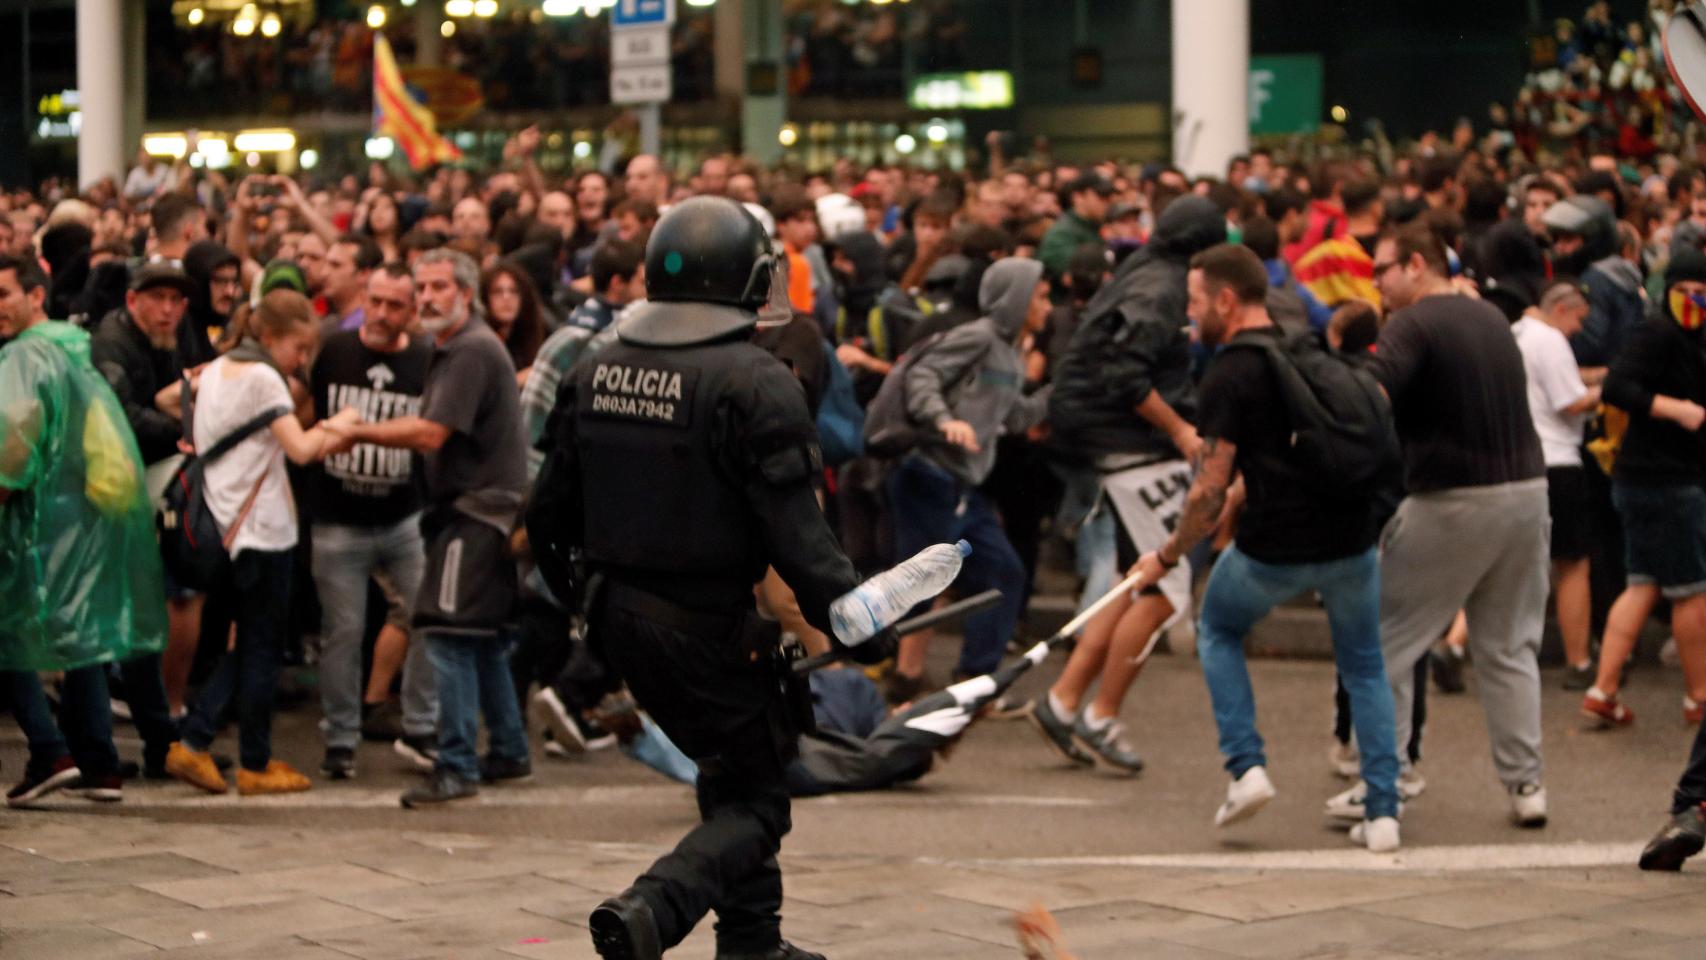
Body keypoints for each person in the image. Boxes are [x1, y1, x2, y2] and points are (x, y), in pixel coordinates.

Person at [526, 197, 894, 960]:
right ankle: (653, 909)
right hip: (708, 630)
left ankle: (754, 942)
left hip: (619, 620)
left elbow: (548, 516)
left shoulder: (595, 370)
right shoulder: (757, 382)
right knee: (760, 802)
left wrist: (585, 607)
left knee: (733, 769)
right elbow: (802, 544)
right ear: (748, 279)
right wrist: (859, 625)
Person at [1138, 244, 1401, 849]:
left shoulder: (1229, 372)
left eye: (1196, 301)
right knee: (1364, 664)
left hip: (1273, 547)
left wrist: (1168, 555)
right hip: (1352, 536)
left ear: (1226, 301)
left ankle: (1246, 768)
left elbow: (1208, 488)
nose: (1189, 313)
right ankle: (1384, 811)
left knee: (1217, 630)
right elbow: (1291, 445)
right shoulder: (1301, 343)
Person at [325, 248, 533, 807]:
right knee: (482, 639)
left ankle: (458, 763)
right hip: (480, 513)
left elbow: (432, 434)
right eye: (422, 287)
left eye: (438, 287)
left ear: (465, 293)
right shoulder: (460, 346)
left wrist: (357, 432)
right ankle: (509, 749)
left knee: (446, 633)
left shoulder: (469, 349)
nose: (426, 298)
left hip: (477, 515)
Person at [1029, 196, 1225, 771]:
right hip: (1128, 443)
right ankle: (1100, 715)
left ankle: (1066, 702)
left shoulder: (1146, 269)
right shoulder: (1161, 288)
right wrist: (1183, 432)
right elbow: (1124, 370)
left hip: (1100, 436)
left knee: (1129, 577)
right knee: (1165, 587)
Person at [1366, 224, 1552, 828]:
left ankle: (1384, 782)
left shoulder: (1412, 324)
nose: (1377, 283)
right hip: (1527, 492)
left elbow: (1373, 395)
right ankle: (1526, 786)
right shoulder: (1492, 319)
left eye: (1383, 270)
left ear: (1416, 264)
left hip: (1452, 498)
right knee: (1509, 647)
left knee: (1387, 641)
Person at [164, 289, 359, 797]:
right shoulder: (264, 376)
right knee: (262, 647)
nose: (302, 361)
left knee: (249, 644)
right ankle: (233, 754)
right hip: (262, 531)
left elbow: (169, 398)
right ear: (272, 337)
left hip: (222, 530)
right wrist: (339, 426)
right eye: (299, 348)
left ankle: (214, 743)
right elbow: (299, 449)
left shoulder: (218, 367)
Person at [0, 254, 166, 806]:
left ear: (34, 295)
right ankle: (98, 762)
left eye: (3, 295)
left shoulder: (24, 354)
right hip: (90, 512)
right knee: (82, 634)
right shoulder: (75, 342)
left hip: (41, 518)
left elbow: (12, 451)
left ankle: (51, 752)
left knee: (11, 631)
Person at [884, 257, 1053, 697]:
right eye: (1041, 294)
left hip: (961, 485)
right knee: (925, 581)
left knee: (1003, 573)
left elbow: (1013, 416)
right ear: (1016, 298)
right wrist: (944, 421)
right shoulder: (977, 337)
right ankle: (903, 682)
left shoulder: (1009, 354)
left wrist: (1061, 394)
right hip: (929, 475)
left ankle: (974, 682)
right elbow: (923, 375)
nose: (1047, 304)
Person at [308, 262, 438, 779]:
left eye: (395, 305)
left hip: (403, 515)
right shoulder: (333, 349)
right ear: (364, 297)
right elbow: (304, 407)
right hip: (337, 517)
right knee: (343, 630)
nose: (382, 314)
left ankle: (422, 724)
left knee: (428, 614)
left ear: (412, 310)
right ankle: (340, 737)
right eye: (376, 301)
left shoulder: (427, 360)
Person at [1582, 248, 1706, 729]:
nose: (1693, 301)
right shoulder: (1658, 333)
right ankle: (1698, 697)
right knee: (1691, 592)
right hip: (1667, 481)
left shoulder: (1684, 336)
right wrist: (1677, 409)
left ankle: (1603, 688)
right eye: (1685, 292)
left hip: (1647, 480)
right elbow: (1617, 387)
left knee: (1643, 584)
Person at [1511, 280, 1602, 690]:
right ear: (1563, 309)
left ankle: (1456, 645)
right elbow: (1571, 400)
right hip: (1559, 462)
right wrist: (1615, 390)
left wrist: (1602, 373)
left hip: (1521, 461)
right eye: (1579, 319)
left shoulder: (1520, 334)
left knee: (1509, 564)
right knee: (1572, 564)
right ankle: (1579, 660)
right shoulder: (1551, 340)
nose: (1579, 330)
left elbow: (1557, 379)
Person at [1037, 174, 1112, 279]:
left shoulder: (1098, 227)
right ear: (1078, 197)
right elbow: (1078, 276)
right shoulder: (1062, 233)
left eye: (1108, 197)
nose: (1107, 202)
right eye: (1101, 196)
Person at [480, 261, 545, 379]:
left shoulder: (529, 339)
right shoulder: (479, 345)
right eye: (497, 292)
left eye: (514, 291)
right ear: (485, 299)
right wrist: (519, 379)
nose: (506, 298)